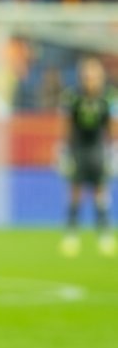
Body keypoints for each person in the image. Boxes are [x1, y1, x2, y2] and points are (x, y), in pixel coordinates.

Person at [60, 57, 114, 256]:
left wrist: (114, 149)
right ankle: (71, 235)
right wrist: (63, 150)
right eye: (87, 75)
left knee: (101, 191)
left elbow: (112, 127)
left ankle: (104, 234)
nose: (90, 79)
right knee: (75, 191)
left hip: (98, 149)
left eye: (94, 75)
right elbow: (66, 124)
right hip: (78, 148)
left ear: (100, 76)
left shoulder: (109, 97)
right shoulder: (73, 97)